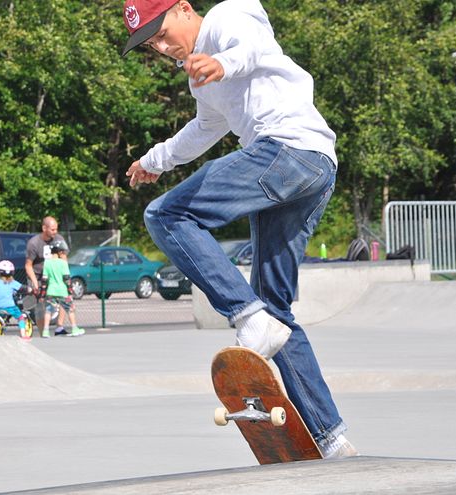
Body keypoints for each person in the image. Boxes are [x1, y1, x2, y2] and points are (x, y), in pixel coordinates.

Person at [121, 0, 356, 458]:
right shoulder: (198, 78)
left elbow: (254, 49)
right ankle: (333, 438)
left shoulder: (229, 17)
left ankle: (245, 317)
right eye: (154, 45)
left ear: (185, 9)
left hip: (285, 152)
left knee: (166, 216)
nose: (165, 48)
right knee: (276, 313)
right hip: (311, 170)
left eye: (165, 33)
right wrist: (154, 160)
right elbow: (204, 128)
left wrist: (223, 61)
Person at [25, 216, 69, 331]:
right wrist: (35, 283)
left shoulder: (59, 240)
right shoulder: (34, 243)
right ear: (44, 228)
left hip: (53, 276)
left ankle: (59, 327)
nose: (55, 232)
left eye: (56, 229)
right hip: (38, 276)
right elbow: (28, 265)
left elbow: (63, 258)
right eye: (53, 229)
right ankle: (42, 332)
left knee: (65, 297)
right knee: (40, 305)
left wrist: (64, 276)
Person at [42, 240, 85, 338]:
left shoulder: (47, 263)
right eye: (63, 252)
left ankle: (45, 331)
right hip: (62, 291)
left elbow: (44, 280)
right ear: (59, 252)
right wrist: (70, 291)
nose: (64, 254)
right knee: (70, 309)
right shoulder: (63, 263)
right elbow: (67, 279)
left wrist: (43, 293)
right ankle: (74, 329)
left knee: (48, 310)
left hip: (51, 291)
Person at [0, 260, 32, 340]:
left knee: (1, 318)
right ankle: (23, 334)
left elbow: (5, 290)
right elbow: (23, 288)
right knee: (20, 317)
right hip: (9, 306)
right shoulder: (12, 282)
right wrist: (31, 290)